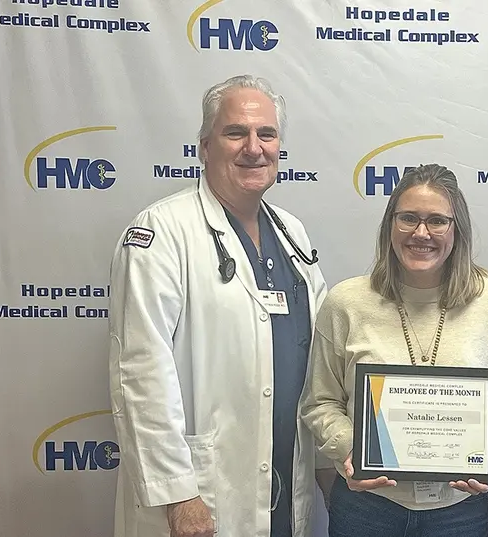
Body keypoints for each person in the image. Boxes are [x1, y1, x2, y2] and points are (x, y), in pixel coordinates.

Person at [108, 75, 330, 537]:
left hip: (285, 483)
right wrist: (178, 494)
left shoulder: (292, 234)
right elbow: (140, 372)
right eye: (236, 133)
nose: (254, 147)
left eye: (267, 134)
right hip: (200, 493)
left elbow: (329, 349)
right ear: (204, 147)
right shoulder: (162, 232)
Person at [300, 164, 488, 537]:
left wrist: (482, 444)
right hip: (367, 508)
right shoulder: (346, 302)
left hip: (459, 513)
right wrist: (354, 451)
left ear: (456, 229)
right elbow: (320, 402)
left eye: (437, 221)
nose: (421, 233)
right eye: (408, 218)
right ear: (389, 225)